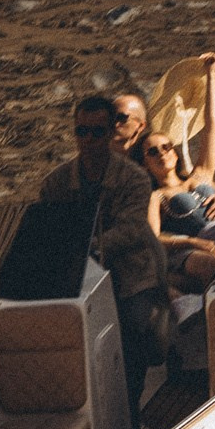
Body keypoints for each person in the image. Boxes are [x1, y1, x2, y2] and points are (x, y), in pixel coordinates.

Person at [38, 94, 169, 406]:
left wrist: (90, 245)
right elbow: (46, 226)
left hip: (129, 277)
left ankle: (130, 408)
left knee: (134, 331)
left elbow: (132, 229)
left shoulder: (135, 179)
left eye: (97, 132)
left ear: (111, 133)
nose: (88, 140)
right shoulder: (55, 183)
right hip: (75, 277)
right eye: (81, 132)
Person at [140, 53, 215, 287]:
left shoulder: (201, 174)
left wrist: (210, 76)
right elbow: (154, 238)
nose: (161, 153)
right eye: (152, 152)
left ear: (174, 151)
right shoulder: (157, 197)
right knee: (208, 263)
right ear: (145, 164)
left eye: (165, 147)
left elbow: (210, 126)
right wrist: (192, 243)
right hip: (200, 244)